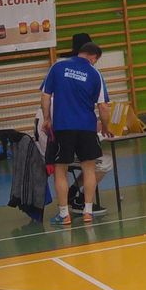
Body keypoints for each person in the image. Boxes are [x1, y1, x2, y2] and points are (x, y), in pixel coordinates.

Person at [41, 35, 110, 224]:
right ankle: (87, 212)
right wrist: (105, 126)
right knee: (89, 168)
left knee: (60, 170)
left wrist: (47, 118)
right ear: (93, 57)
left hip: (63, 126)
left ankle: (64, 215)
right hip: (86, 127)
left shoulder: (57, 67)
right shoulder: (95, 74)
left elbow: (46, 96)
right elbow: (103, 107)